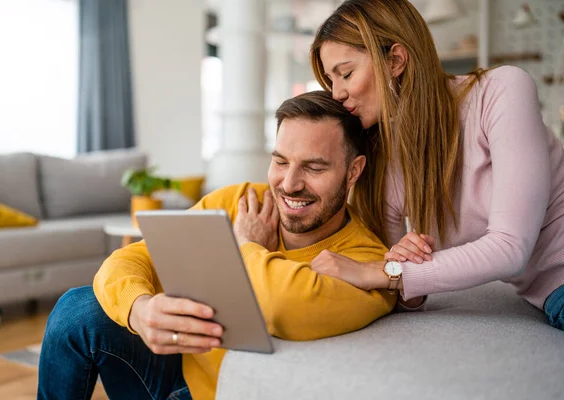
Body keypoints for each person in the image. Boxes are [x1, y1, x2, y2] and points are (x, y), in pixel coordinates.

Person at [37, 90, 397, 400]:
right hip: (170, 375)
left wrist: (248, 246)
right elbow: (130, 258)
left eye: (314, 168)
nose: (289, 184)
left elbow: (278, 305)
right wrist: (140, 309)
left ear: (353, 171)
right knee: (78, 308)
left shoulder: (365, 262)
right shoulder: (241, 201)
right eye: (280, 161)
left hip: (230, 392)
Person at [307, 0, 564, 329]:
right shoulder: (383, 161)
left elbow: (511, 248)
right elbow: (404, 297)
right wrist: (400, 259)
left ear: (396, 60)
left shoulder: (501, 91)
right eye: (330, 80)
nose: (336, 94)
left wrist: (385, 271)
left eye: (346, 73)